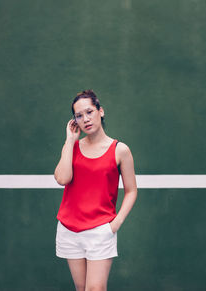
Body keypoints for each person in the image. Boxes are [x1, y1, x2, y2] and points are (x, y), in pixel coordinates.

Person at [54, 90, 137, 291]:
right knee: (81, 289)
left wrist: (114, 225)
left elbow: (131, 191)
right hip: (69, 230)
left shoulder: (120, 150)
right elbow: (62, 178)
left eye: (90, 112)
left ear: (101, 111)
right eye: (79, 116)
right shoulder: (71, 147)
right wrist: (69, 140)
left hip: (100, 230)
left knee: (95, 289)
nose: (85, 119)